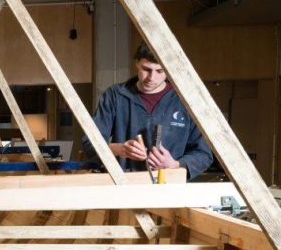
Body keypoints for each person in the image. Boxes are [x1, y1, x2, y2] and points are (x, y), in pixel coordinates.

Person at [82, 42, 213, 180]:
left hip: (170, 189)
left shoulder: (185, 101)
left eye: (159, 71)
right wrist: (120, 149)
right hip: (125, 186)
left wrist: (174, 164)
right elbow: (90, 143)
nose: (152, 78)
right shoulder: (115, 96)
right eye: (146, 69)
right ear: (137, 63)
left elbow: (203, 154)